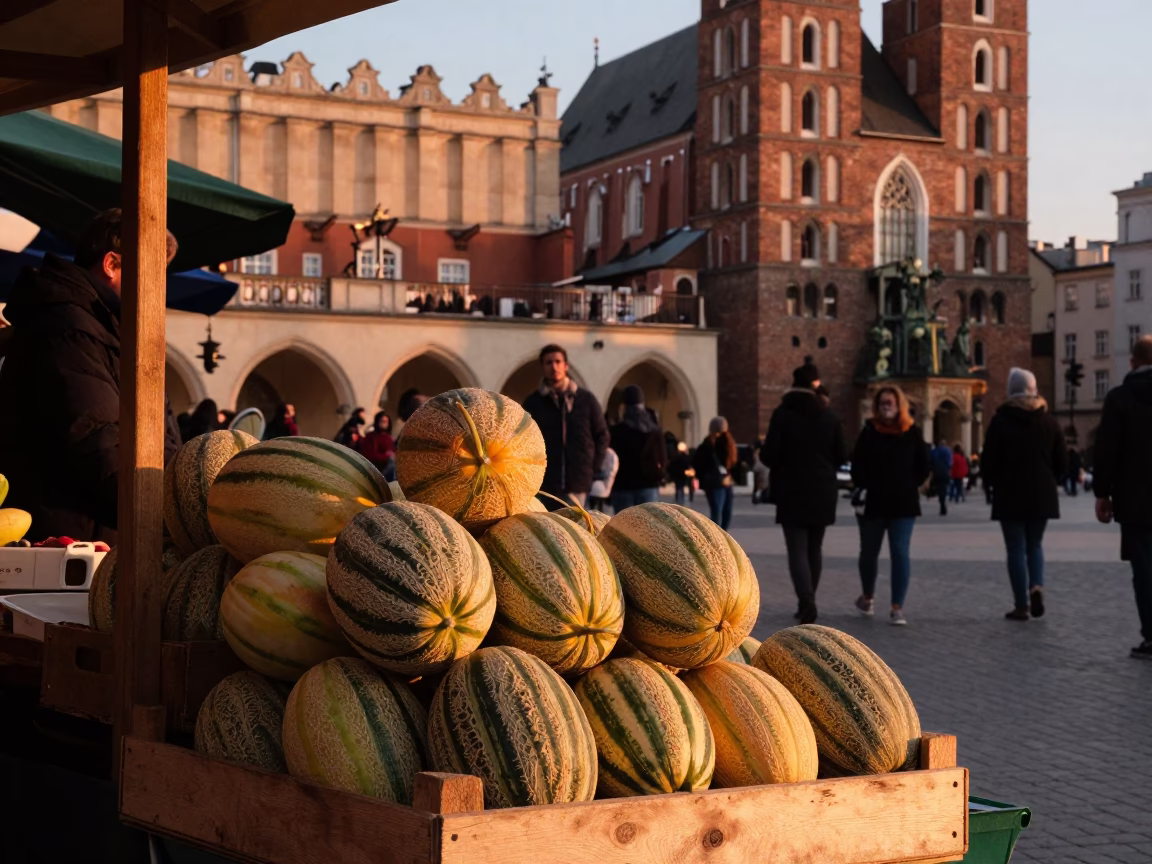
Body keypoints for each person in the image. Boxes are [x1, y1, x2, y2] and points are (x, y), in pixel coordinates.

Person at [0, 209, 181, 543]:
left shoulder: (110, 328)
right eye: (154, 272)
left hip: (96, 538)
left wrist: (185, 489)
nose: (160, 287)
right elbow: (96, 442)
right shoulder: (68, 328)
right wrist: (178, 510)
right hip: (66, 547)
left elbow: (159, 434)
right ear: (112, 264)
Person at [761, 360, 847, 624]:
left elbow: (769, 455)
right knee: (815, 547)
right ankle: (808, 599)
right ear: (815, 385)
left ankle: (806, 600)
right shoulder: (829, 416)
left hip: (791, 488)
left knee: (796, 548)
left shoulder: (782, 414)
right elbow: (842, 454)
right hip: (822, 488)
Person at [980, 369, 1067, 621]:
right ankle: (1036, 585)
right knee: (1035, 544)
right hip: (1042, 493)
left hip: (1010, 493)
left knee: (1016, 548)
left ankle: (1021, 605)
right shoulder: (1049, 421)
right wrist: (1052, 478)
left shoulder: (1001, 420)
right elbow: (1062, 462)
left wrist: (991, 483)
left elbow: (989, 462)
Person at [851, 386, 931, 626]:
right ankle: (868, 597)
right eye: (883, 402)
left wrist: (909, 484)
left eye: (891, 402)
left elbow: (924, 466)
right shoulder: (869, 431)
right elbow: (857, 464)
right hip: (874, 502)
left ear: (899, 406)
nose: (887, 406)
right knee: (869, 553)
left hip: (903, 503)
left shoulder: (911, 432)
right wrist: (866, 483)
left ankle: (897, 606)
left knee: (900, 553)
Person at [1094, 335, 1152, 659]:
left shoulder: (1119, 398)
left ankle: (1151, 635)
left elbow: (1107, 449)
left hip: (1135, 499)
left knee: (1143, 570)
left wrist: (1103, 492)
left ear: (1132, 362)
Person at [523, 344, 609, 508]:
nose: (554, 367)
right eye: (549, 363)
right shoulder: (533, 402)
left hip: (578, 483)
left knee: (576, 530)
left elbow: (602, 435)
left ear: (566, 366)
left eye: (557, 361)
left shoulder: (586, 399)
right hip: (545, 484)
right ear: (543, 367)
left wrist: (593, 468)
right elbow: (523, 439)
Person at [609, 385, 666, 512]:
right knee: (648, 527)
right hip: (648, 484)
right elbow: (662, 458)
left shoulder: (617, 431)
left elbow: (612, 459)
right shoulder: (654, 430)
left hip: (623, 485)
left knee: (623, 528)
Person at [693, 417, 738, 531]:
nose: (718, 435)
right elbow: (699, 464)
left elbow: (732, 463)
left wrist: (731, 476)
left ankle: (723, 535)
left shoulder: (727, 444)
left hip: (726, 482)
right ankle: (716, 537)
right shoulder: (706, 446)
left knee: (727, 513)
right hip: (714, 483)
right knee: (717, 512)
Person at [359, 411, 396, 480]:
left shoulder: (390, 438)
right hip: (373, 469)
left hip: (386, 468)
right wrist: (387, 455)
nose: (384, 424)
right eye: (382, 421)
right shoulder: (371, 436)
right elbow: (371, 455)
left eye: (386, 422)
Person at [587, 446, 618, 513]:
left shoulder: (609, 453)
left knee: (596, 509)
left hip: (598, 486)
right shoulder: (610, 453)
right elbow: (611, 472)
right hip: (600, 486)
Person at [930, 439, 953, 515]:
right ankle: (943, 503)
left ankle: (942, 502)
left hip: (937, 472)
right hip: (945, 472)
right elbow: (950, 463)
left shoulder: (935, 451)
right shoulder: (947, 451)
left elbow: (931, 461)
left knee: (940, 489)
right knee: (944, 488)